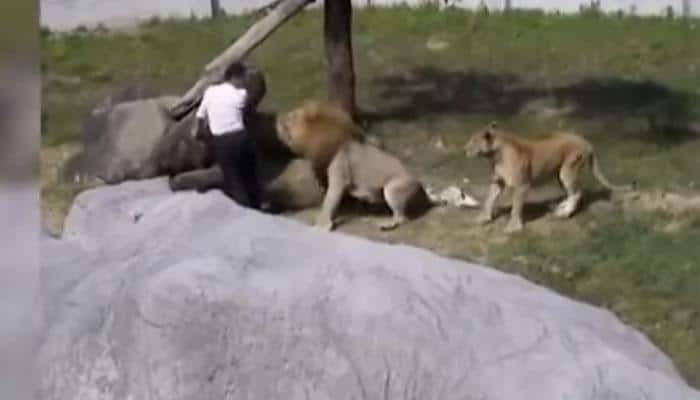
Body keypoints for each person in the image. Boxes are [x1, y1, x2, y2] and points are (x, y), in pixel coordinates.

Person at [192, 62, 267, 211]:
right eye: (242, 79)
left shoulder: (210, 92)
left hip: (221, 141)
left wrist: (201, 134)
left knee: (233, 179)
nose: (243, 83)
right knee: (250, 173)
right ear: (234, 78)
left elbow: (200, 116)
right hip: (241, 137)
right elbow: (247, 112)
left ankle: (244, 209)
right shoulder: (241, 94)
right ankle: (257, 204)